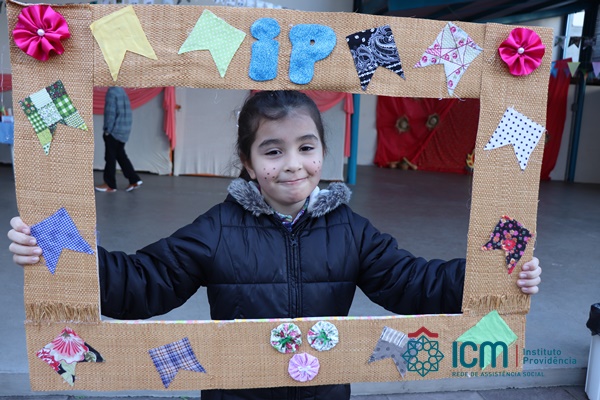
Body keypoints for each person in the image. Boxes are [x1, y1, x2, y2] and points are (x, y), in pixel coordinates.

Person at [8, 90, 541, 400]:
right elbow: (143, 282)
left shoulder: (350, 231)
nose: (292, 165)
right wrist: (51, 244)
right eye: (272, 151)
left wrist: (497, 276)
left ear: (323, 152)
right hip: (235, 392)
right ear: (247, 162)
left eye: (306, 147)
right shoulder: (217, 229)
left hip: (324, 392)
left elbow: (414, 283)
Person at [94, 86, 143, 193]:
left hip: (114, 131)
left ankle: (110, 185)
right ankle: (134, 179)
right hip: (124, 130)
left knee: (110, 157)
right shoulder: (122, 91)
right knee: (120, 155)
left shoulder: (112, 92)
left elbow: (110, 113)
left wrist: (107, 130)